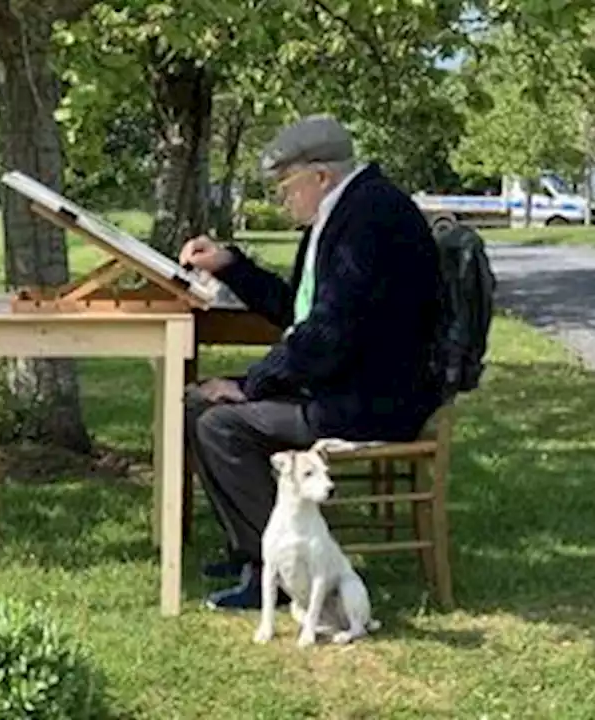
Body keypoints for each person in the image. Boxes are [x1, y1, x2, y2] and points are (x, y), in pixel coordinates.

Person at [178, 114, 444, 610]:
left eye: (287, 186)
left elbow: (327, 333)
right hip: (346, 382)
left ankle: (279, 574)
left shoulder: (368, 220)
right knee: (197, 406)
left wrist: (252, 384)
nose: (283, 199)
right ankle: (253, 553)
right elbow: (296, 310)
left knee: (221, 426)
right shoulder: (341, 215)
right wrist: (232, 267)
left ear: (321, 176)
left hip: (372, 399)